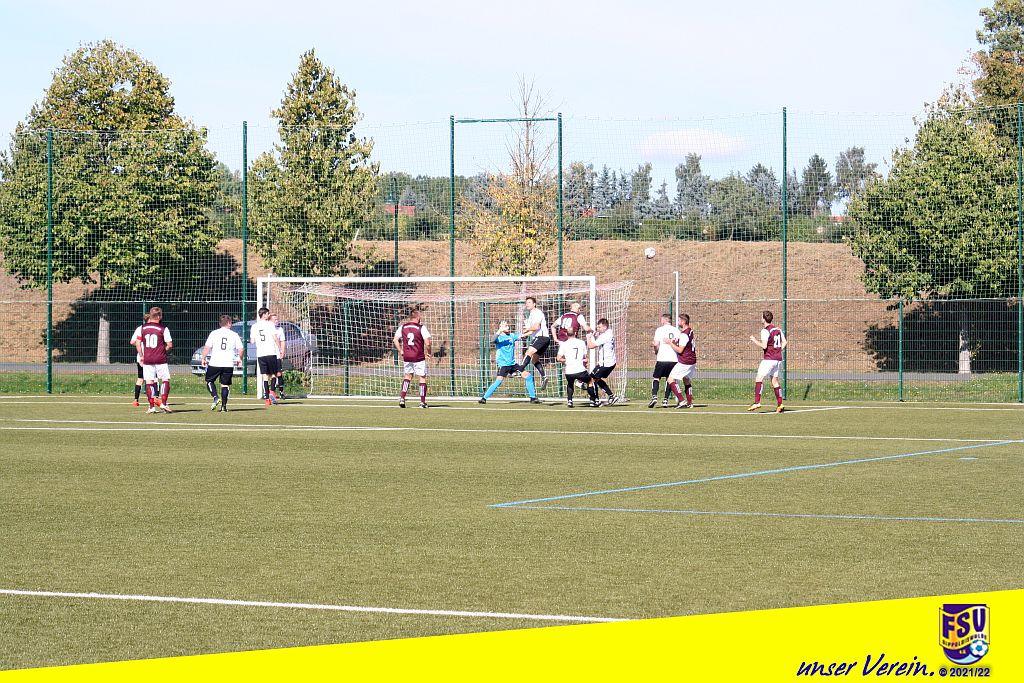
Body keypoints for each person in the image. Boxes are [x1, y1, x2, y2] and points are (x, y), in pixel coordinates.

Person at [479, 320, 539, 404]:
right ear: (500, 327)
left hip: (512, 364)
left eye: (507, 325)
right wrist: (499, 331)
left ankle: (533, 398)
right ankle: (484, 398)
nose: (508, 327)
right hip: (503, 364)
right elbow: (492, 340)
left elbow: (523, 336)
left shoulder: (512, 336)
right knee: (498, 381)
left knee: (528, 376)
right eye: (505, 326)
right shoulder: (498, 337)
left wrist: (532, 330)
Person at [135, 306, 173, 414]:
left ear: (150, 315)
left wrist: (141, 355)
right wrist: (163, 350)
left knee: (149, 381)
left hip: (147, 359)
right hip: (160, 358)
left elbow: (137, 343)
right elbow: (170, 345)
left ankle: (151, 407)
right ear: (159, 316)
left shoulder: (142, 328)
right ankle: (164, 403)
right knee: (165, 380)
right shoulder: (163, 329)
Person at [202, 315, 243, 412]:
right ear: (228, 323)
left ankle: (215, 397)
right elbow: (241, 349)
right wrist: (239, 359)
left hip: (215, 362)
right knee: (225, 385)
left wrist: (203, 358)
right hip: (228, 363)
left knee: (209, 381)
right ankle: (224, 407)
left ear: (220, 323)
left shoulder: (214, 333)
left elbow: (207, 347)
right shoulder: (234, 334)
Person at [748, 310, 787, 413]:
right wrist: (778, 350)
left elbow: (764, 346)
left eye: (761, 317)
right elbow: (784, 342)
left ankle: (757, 402)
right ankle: (780, 404)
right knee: (774, 381)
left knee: (759, 378)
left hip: (769, 359)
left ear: (764, 319)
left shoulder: (765, 331)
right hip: (777, 359)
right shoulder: (778, 329)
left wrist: (754, 340)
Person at [393, 308, 432, 408]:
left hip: (407, 356)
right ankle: (422, 402)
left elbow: (395, 340)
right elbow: (428, 343)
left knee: (407, 376)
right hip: (418, 356)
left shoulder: (403, 327)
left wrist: (401, 351)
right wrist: (429, 353)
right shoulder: (421, 328)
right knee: (422, 377)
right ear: (417, 317)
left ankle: (402, 398)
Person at [556, 330, 598, 408]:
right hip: (580, 369)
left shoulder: (564, 344)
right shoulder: (581, 342)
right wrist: (585, 363)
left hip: (569, 371)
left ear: (566, 334)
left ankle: (570, 401)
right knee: (590, 381)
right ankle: (592, 401)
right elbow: (585, 357)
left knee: (570, 383)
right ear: (575, 333)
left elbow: (558, 358)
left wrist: (566, 360)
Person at [250, 308, 282, 406]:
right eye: (268, 313)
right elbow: (275, 338)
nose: (268, 315)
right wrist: (280, 349)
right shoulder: (270, 324)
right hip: (271, 352)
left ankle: (267, 398)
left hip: (261, 354)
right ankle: (272, 392)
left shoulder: (254, 326)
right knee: (273, 375)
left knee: (264, 376)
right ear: (264, 314)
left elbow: (252, 341)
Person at [518, 296, 551, 391]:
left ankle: (520, 369)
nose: (527, 304)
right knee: (534, 360)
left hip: (541, 337)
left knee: (528, 352)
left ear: (534, 304)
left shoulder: (537, 312)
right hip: (543, 338)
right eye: (526, 303)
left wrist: (527, 329)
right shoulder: (531, 315)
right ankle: (544, 377)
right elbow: (531, 331)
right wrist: (523, 335)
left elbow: (536, 327)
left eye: (529, 302)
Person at [649, 313, 681, 408]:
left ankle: (654, 397)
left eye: (661, 319)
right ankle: (665, 400)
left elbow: (656, 344)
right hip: (673, 359)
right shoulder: (676, 330)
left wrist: (656, 351)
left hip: (662, 358)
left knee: (656, 378)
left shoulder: (659, 330)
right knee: (669, 379)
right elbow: (678, 343)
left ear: (664, 320)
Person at [667, 313, 697, 409]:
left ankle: (681, 400)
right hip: (692, 360)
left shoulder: (684, 335)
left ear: (683, 322)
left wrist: (671, 343)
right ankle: (689, 402)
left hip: (685, 361)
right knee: (686, 379)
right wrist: (677, 341)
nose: (678, 322)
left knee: (670, 379)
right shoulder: (690, 331)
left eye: (679, 320)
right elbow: (686, 343)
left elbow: (680, 350)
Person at [586, 318, 618, 405]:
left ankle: (595, 400)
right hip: (610, 362)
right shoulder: (609, 332)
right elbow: (599, 339)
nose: (598, 329)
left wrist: (588, 337)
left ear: (605, 327)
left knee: (591, 380)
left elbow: (591, 346)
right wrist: (595, 335)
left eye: (599, 327)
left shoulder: (604, 336)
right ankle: (611, 396)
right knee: (597, 379)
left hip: (605, 364)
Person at [128, 313, 148, 407]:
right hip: (149, 357)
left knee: (140, 379)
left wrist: (139, 343)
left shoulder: (139, 328)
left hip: (140, 357)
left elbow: (132, 341)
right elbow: (133, 342)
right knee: (153, 379)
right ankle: (155, 399)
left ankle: (136, 400)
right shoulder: (154, 329)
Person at [270, 313, 287, 400]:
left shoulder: (280, 329)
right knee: (272, 374)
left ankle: (281, 392)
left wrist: (282, 352)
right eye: (274, 319)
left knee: (279, 373)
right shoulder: (267, 329)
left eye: (277, 319)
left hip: (277, 354)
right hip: (269, 354)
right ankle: (272, 392)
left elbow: (282, 341)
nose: (277, 321)